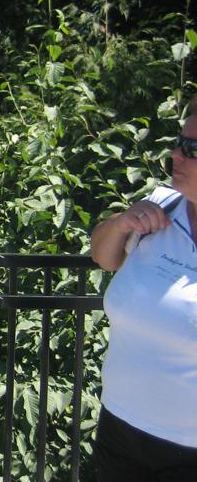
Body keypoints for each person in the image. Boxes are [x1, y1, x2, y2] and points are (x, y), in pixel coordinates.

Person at [90, 103, 197, 481]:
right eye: (180, 142)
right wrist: (122, 222)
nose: (176, 154)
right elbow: (103, 256)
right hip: (119, 430)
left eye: (192, 149)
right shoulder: (162, 205)